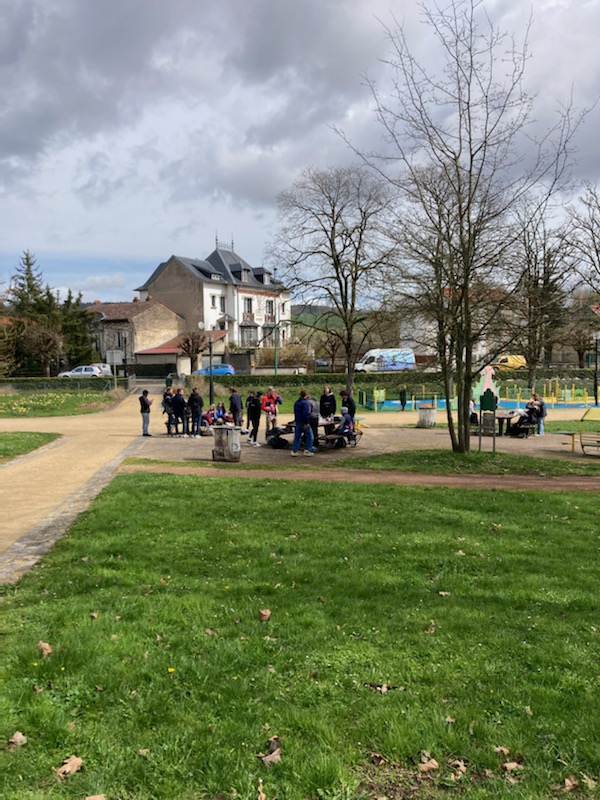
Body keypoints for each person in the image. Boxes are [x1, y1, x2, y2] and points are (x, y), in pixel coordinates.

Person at [291, 389, 315, 456]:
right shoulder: (305, 403)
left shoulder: (296, 402)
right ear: (306, 395)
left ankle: (294, 451)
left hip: (298, 421)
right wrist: (306, 422)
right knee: (310, 436)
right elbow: (305, 414)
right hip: (303, 422)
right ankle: (307, 450)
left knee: (297, 437)